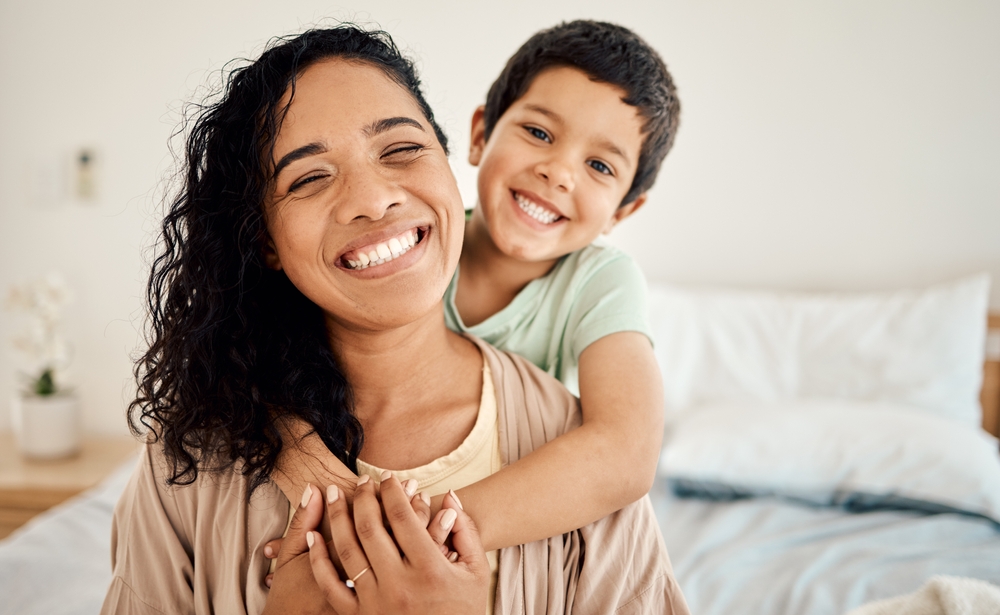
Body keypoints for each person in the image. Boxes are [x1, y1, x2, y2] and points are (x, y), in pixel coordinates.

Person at [101, 24, 688, 614]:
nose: (374, 200)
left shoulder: (577, 433)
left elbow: (625, 450)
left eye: (401, 149)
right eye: (309, 176)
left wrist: (427, 535)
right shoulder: (190, 459)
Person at [276, 18, 680, 562]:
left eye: (599, 165)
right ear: (479, 135)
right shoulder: (409, 245)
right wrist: (342, 508)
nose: (558, 172)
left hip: (494, 510)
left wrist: (427, 528)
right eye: (539, 133)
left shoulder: (600, 282)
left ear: (624, 210)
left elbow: (626, 451)